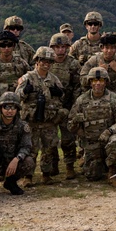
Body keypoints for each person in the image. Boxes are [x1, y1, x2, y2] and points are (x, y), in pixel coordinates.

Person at [16, 47, 68, 185]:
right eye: (44, 61)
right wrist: (26, 91)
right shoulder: (28, 78)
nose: (47, 64)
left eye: (50, 61)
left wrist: (58, 93)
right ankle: (28, 176)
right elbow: (16, 96)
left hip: (48, 121)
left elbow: (62, 97)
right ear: (37, 61)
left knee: (49, 148)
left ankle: (46, 173)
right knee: (31, 149)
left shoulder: (54, 79)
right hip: (31, 121)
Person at [67, 67, 116, 186]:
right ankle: (94, 160)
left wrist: (109, 131)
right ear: (90, 82)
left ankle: (112, 173)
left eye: (101, 81)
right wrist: (76, 122)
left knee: (115, 142)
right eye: (95, 81)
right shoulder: (81, 100)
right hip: (91, 142)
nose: (98, 84)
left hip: (109, 139)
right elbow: (70, 125)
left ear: (106, 82)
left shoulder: (114, 99)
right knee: (92, 175)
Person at [48, 32, 81, 179]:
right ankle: (52, 166)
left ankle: (69, 166)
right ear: (52, 48)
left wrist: (73, 106)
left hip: (67, 106)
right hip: (50, 108)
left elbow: (77, 86)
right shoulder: (47, 62)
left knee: (68, 138)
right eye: (57, 47)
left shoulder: (73, 63)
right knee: (50, 139)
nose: (60, 50)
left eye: (63, 47)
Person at [0, 31, 30, 119]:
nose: (6, 48)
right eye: (3, 46)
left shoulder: (22, 64)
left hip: (17, 106)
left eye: (9, 45)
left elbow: (29, 82)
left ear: (14, 46)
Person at [81, 32, 116, 105]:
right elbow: (82, 80)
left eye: (112, 48)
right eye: (107, 48)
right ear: (102, 48)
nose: (109, 51)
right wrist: (97, 73)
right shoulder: (94, 60)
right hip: (94, 98)